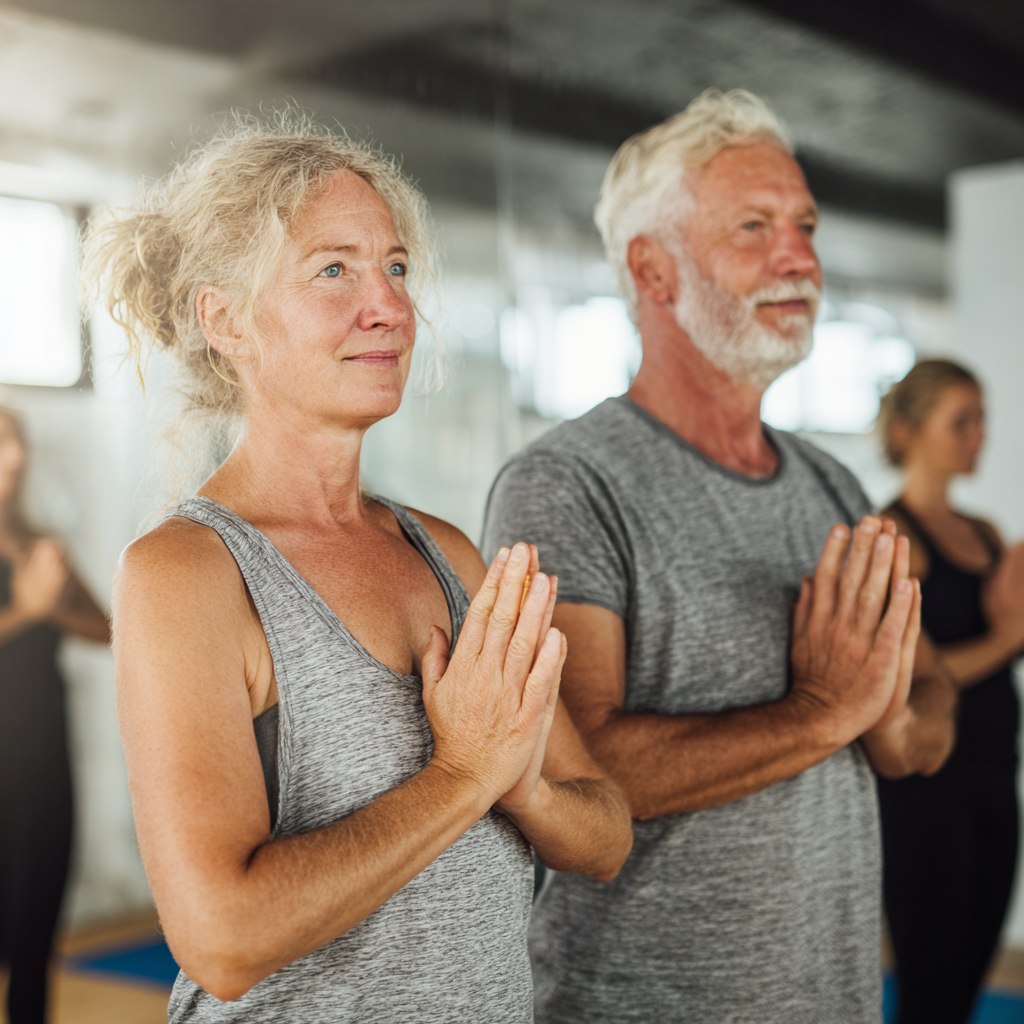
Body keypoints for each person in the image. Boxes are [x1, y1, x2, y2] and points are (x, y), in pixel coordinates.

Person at [82, 115, 632, 1024]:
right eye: (333, 269)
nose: (389, 306)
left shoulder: (445, 552)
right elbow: (222, 939)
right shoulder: (187, 573)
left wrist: (520, 783)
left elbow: (605, 832)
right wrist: (463, 777)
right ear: (225, 319)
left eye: (397, 267)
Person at [482, 89, 957, 1023]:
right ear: (653, 271)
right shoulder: (566, 485)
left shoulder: (831, 484)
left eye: (806, 225)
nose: (801, 258)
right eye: (754, 226)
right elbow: (579, 775)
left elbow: (928, 693)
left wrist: (896, 728)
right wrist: (824, 715)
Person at [875, 360, 1024, 1024]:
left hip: (996, 777)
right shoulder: (895, 540)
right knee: (931, 993)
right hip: (926, 793)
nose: (979, 437)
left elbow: (1009, 645)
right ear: (908, 431)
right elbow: (899, 680)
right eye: (961, 421)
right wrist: (1007, 634)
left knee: (966, 987)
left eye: (982, 420)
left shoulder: (988, 535)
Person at [0, 407, 110, 1024]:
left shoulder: (41, 543)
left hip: (43, 759)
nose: (13, 456)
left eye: (17, 440)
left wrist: (49, 605)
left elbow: (106, 627)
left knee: (36, 928)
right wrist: (23, 609)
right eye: (0, 442)